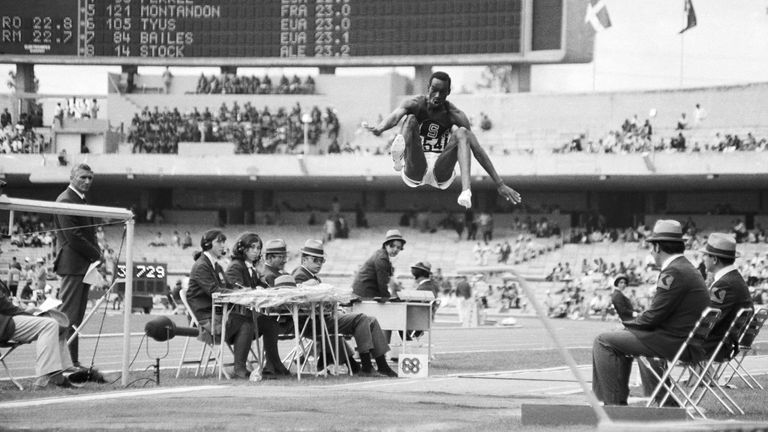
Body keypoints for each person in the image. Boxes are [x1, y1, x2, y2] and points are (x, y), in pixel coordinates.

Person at [592, 219, 709, 406]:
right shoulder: (686, 268)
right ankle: (632, 401)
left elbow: (654, 315)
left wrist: (627, 325)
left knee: (603, 341)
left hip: (675, 341)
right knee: (620, 339)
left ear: (657, 247)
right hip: (685, 339)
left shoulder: (674, 272)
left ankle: (613, 404)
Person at [363, 71, 521, 209]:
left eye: (442, 92)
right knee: (410, 119)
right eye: (434, 90)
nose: (437, 96)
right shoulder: (415, 103)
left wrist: (499, 183)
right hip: (416, 164)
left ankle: (466, 191)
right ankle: (398, 158)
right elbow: (396, 117)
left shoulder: (455, 114)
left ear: (448, 92)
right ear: (428, 88)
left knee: (463, 133)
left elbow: (476, 150)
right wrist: (381, 128)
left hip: (441, 168)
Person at [291, 240, 397, 377]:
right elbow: (299, 301)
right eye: (315, 260)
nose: (319, 264)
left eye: (321, 261)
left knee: (371, 320)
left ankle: (382, 365)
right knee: (361, 318)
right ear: (304, 259)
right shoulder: (300, 275)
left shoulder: (310, 275)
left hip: (321, 318)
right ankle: (366, 366)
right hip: (312, 322)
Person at [0, 239, 77, 389]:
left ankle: (59, 375)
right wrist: (25, 310)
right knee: (49, 324)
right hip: (4, 323)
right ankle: (44, 378)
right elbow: (4, 305)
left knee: (57, 322)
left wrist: (20, 307)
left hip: (7, 318)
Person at [185, 230, 255, 379]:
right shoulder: (202, 266)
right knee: (245, 322)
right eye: (219, 242)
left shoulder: (216, 266)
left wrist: (242, 290)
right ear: (208, 244)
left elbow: (228, 287)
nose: (223, 245)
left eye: (224, 242)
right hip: (205, 320)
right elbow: (214, 291)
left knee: (246, 320)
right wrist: (238, 294)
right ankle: (240, 368)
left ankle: (240, 367)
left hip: (216, 314)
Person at [53, 163, 102, 367]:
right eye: (83, 177)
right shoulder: (65, 200)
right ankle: (57, 363)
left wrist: (95, 255)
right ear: (72, 177)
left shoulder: (80, 199)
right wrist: (96, 253)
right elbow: (74, 237)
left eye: (90, 178)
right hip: (73, 266)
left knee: (76, 317)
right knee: (68, 316)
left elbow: (87, 233)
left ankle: (70, 361)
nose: (87, 181)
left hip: (83, 265)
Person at [224, 232, 291, 377]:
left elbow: (264, 288)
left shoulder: (252, 268)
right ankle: (239, 367)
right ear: (242, 249)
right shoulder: (235, 266)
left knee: (271, 323)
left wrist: (260, 274)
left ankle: (274, 364)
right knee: (247, 324)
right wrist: (256, 290)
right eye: (252, 247)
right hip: (233, 317)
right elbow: (237, 292)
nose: (256, 251)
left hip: (247, 315)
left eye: (258, 247)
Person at [698, 233, 753, 360]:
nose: (703, 259)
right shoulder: (734, 279)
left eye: (705, 255)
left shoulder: (724, 284)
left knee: (650, 343)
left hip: (712, 347)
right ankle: (698, 380)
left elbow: (707, 321)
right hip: (721, 345)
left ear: (715, 259)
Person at [352, 230, 405, 300]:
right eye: (392, 246)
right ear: (386, 245)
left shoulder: (382, 254)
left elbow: (388, 278)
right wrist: (388, 299)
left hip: (365, 290)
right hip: (365, 293)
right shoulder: (382, 258)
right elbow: (382, 283)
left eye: (398, 247)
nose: (395, 250)